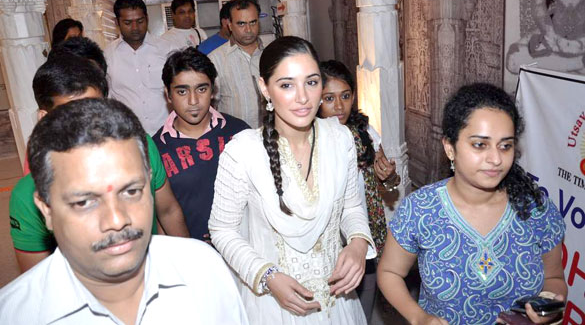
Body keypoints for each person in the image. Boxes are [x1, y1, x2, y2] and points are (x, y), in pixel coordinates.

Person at [1, 98, 248, 325]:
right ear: (46, 209)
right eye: (85, 202)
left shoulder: (205, 270)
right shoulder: (17, 315)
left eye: (130, 192)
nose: (117, 220)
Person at [209, 36, 376, 324]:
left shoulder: (340, 138)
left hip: (336, 300)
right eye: (287, 85)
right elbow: (222, 229)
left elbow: (351, 207)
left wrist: (359, 243)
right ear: (265, 88)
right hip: (272, 305)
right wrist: (267, 276)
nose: (302, 97)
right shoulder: (242, 151)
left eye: (311, 82)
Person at [377, 83, 566, 325]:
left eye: (505, 145)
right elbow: (389, 272)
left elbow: (554, 278)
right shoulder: (420, 210)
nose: (496, 159)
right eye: (480, 145)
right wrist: (418, 317)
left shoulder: (536, 209)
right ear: (449, 147)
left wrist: (547, 307)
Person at [10, 53, 189, 273]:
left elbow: (168, 210)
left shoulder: (141, 147)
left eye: (96, 107)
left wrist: (188, 266)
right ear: (44, 118)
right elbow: (36, 283)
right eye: (83, 202)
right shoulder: (27, 195)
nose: (90, 123)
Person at [318, 59, 399, 322]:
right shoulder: (311, 137)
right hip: (327, 232)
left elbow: (387, 182)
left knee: (363, 304)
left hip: (366, 228)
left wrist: (388, 176)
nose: (339, 106)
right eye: (329, 98)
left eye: (345, 96)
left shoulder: (366, 132)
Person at [153, 47, 249, 242]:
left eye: (202, 89)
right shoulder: (155, 148)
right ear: (168, 95)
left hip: (245, 250)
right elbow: (161, 215)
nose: (193, 101)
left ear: (213, 90)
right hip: (191, 255)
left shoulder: (240, 133)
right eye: (182, 91)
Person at [105, 0, 173, 134]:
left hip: (166, 134)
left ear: (147, 19)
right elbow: (106, 98)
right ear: (117, 23)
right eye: (128, 23)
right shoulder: (107, 55)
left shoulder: (167, 50)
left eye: (140, 21)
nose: (135, 27)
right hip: (128, 136)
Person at [208, 0, 263, 128]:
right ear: (230, 25)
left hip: (270, 138)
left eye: (253, 22)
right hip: (233, 139)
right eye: (241, 24)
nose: (248, 29)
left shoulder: (271, 55)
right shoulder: (215, 60)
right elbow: (209, 107)